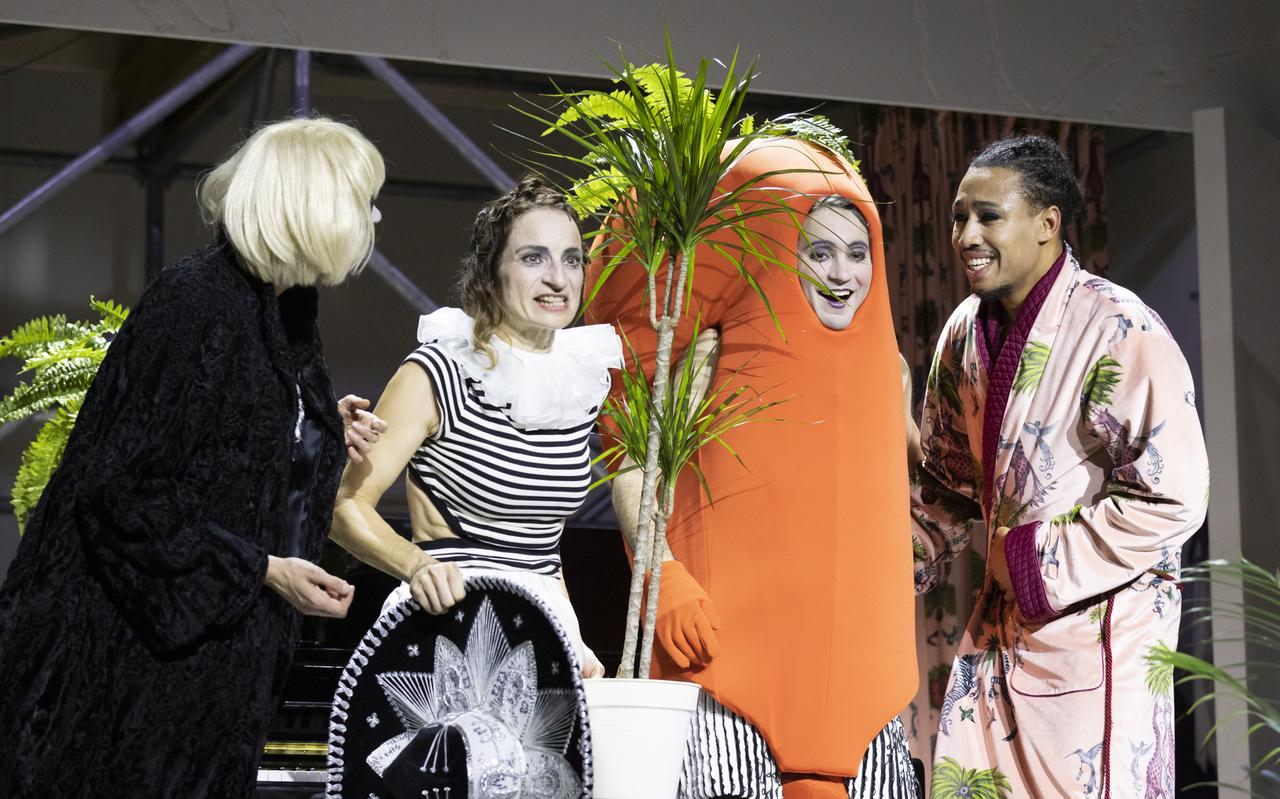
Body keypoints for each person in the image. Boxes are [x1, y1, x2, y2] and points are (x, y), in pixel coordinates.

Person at [0, 116, 387, 798]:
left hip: (207, 682)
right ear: (309, 205)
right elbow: (118, 493)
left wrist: (317, 426)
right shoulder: (196, 303)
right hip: (124, 679)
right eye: (363, 198)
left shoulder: (287, 312)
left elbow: (241, 446)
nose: (374, 215)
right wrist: (261, 569)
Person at [590, 138, 917, 799]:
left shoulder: (891, 372)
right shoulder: (709, 358)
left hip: (861, 702)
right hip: (728, 683)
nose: (842, 272)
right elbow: (634, 451)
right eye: (818, 251)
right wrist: (661, 568)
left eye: (857, 253)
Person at [908, 134, 1209, 797]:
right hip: (1001, 632)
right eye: (959, 215)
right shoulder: (963, 332)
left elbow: (1176, 494)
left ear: (1047, 223)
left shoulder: (1120, 329)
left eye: (989, 215)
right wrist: (888, 561)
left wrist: (1030, 562)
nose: (966, 234)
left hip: (1099, 635)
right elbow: (948, 482)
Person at [329, 174, 620, 679]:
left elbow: (542, 543)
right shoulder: (439, 372)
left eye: (571, 259)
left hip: (547, 631)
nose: (559, 278)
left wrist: (576, 639)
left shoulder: (579, 382)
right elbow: (345, 507)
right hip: (451, 630)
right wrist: (417, 566)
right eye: (534, 258)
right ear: (489, 274)